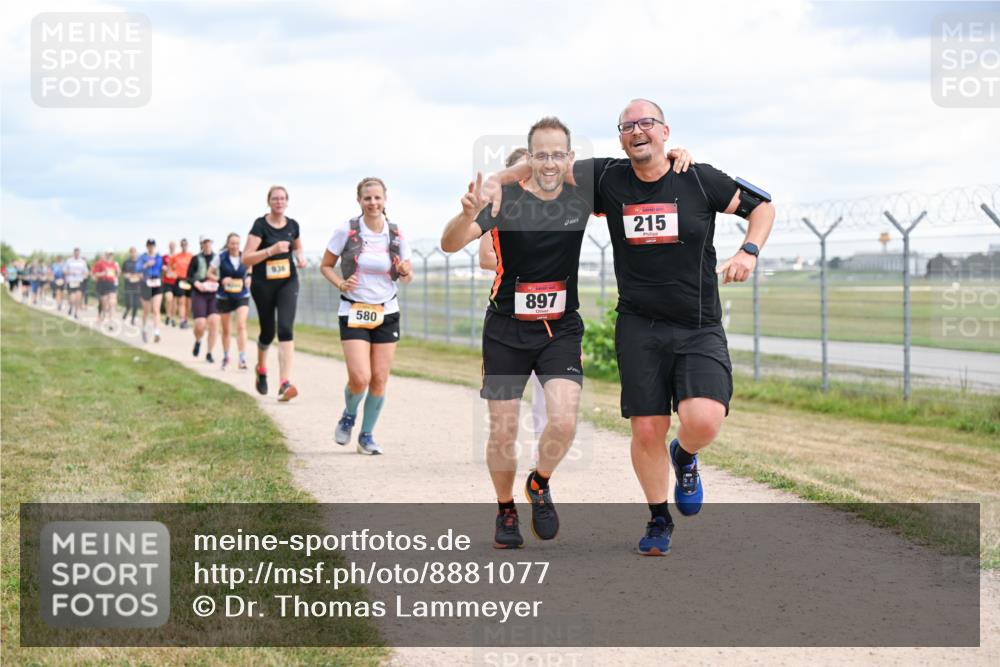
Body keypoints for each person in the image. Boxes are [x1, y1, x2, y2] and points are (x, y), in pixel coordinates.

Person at [489, 99, 774, 555]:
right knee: (646, 429)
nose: (637, 131)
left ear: (665, 131)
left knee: (703, 420)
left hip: (698, 323)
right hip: (640, 325)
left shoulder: (697, 177)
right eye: (628, 126)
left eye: (647, 123)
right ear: (621, 138)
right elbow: (544, 165)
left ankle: (685, 455)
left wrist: (749, 251)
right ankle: (659, 518)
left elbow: (762, 208)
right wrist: (497, 180)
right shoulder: (607, 177)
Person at [441, 118, 595, 550]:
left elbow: (639, 173)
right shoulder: (503, 199)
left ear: (570, 158)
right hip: (506, 330)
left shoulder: (582, 194)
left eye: (557, 154)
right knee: (503, 430)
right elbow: (450, 243)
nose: (549, 163)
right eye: (540, 155)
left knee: (563, 421)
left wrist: (676, 155)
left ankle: (539, 482)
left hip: (560, 328)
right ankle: (505, 509)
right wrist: (466, 215)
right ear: (529, 157)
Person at [322, 177, 414, 456]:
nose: (373, 203)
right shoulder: (347, 231)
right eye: (367, 198)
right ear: (359, 200)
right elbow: (326, 266)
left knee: (379, 379)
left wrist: (405, 272)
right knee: (360, 377)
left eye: (377, 198)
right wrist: (340, 283)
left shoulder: (396, 234)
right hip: (354, 309)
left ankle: (366, 436)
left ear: (385, 200)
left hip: (387, 311)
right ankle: (349, 415)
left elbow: (406, 276)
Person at [478, 147, 550, 449]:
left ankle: (541, 453)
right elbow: (485, 257)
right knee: (509, 396)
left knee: (548, 389)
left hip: (549, 310)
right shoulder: (498, 206)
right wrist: (522, 264)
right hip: (509, 308)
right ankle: (504, 443)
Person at [243, 185, 306, 401]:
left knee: (286, 328)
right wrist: (271, 250)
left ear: (287, 201)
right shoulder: (260, 225)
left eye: (282, 198)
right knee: (268, 332)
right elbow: (246, 258)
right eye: (275, 198)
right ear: (268, 201)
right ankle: (261, 369)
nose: (279, 202)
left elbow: (297, 246)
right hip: (263, 284)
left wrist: (300, 257)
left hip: (288, 281)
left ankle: (284, 383)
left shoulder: (293, 225)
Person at [208, 233, 251, 371]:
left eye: (237, 243)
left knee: (241, 325)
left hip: (242, 294)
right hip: (224, 296)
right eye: (232, 243)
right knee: (226, 329)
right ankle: (226, 357)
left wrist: (249, 277)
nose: (235, 246)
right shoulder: (220, 257)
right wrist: (221, 280)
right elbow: (209, 273)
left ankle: (242, 358)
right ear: (228, 244)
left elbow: (250, 269)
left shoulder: (244, 256)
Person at [187, 235, 220, 363]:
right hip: (199, 293)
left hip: (214, 293)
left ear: (212, 243)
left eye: (209, 242)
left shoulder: (218, 258)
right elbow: (189, 277)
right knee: (200, 324)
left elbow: (223, 275)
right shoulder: (195, 259)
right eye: (204, 242)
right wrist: (196, 283)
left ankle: (209, 353)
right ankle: (198, 340)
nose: (207, 244)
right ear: (201, 244)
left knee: (214, 322)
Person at [137, 239, 165, 343]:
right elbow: (138, 269)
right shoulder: (143, 257)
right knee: (146, 310)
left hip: (156, 283)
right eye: (149, 245)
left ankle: (157, 333)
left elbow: (161, 268)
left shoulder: (158, 257)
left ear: (155, 246)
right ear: (147, 246)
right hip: (146, 283)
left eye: (152, 245)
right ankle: (144, 329)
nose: (151, 247)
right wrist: (146, 265)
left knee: (156, 309)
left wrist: (165, 269)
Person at [92, 250, 120, 328]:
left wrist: (118, 271)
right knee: (104, 303)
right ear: (106, 254)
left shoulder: (114, 264)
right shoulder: (100, 263)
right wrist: (103, 273)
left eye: (111, 254)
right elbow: (95, 274)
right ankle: (103, 315)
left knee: (112, 302)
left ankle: (111, 321)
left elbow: (117, 274)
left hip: (111, 283)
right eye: (109, 254)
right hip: (102, 283)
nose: (110, 256)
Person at [171, 238, 194, 329]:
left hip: (189, 280)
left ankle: (186, 319)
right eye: (182, 244)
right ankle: (182, 321)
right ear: (180, 245)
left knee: (188, 302)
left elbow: (194, 268)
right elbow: (169, 267)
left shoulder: (191, 256)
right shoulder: (176, 256)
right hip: (180, 280)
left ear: (187, 245)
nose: (184, 246)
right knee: (181, 301)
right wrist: (173, 273)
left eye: (185, 244)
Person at [63, 248, 89, 319]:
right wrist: (71, 273)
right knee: (72, 299)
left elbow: (86, 272)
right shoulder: (69, 261)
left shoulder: (82, 262)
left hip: (79, 281)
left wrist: (85, 275)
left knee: (78, 298)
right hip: (71, 281)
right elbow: (64, 271)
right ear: (73, 253)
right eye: (75, 253)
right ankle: (71, 307)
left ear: (79, 253)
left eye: (78, 253)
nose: (77, 254)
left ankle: (76, 313)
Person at [121, 247, 142, 325]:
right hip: (128, 285)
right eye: (131, 252)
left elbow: (143, 273)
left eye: (134, 252)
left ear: (136, 253)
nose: (133, 254)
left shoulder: (140, 262)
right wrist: (126, 275)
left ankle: (133, 319)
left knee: (136, 304)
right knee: (129, 302)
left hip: (137, 285)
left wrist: (139, 275)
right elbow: (122, 273)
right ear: (129, 253)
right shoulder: (126, 262)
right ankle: (127, 310)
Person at [161, 240, 178, 326]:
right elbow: (160, 266)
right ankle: (168, 316)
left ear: (175, 247)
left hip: (176, 281)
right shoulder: (164, 257)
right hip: (167, 281)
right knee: (168, 298)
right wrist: (163, 267)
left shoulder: (178, 257)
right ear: (169, 246)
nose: (172, 247)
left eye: (173, 245)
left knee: (174, 301)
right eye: (171, 245)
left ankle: (173, 318)